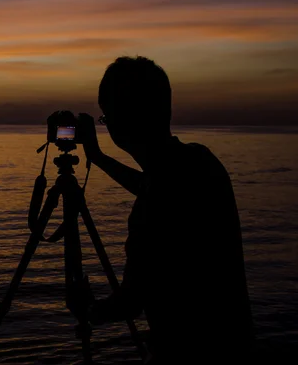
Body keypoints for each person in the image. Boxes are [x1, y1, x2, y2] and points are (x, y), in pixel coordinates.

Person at [77, 56, 254, 364]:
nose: (108, 125)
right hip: (235, 345)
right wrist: (98, 156)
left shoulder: (154, 203)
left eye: (106, 117)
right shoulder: (201, 162)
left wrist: (90, 310)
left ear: (122, 119)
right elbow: (152, 184)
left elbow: (131, 301)